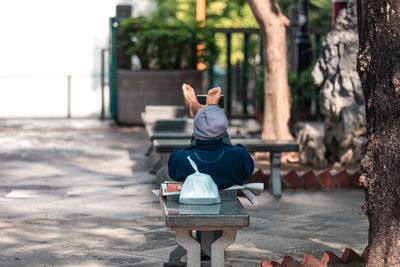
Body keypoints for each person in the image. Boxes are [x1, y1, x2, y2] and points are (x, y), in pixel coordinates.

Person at [168, 84, 254, 189]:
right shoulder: (240, 156)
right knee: (227, 149)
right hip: (227, 201)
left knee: (208, 131)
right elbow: (246, 172)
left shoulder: (179, 158)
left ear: (195, 133)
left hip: (191, 202)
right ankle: (206, 111)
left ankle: (200, 111)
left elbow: (173, 175)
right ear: (224, 130)